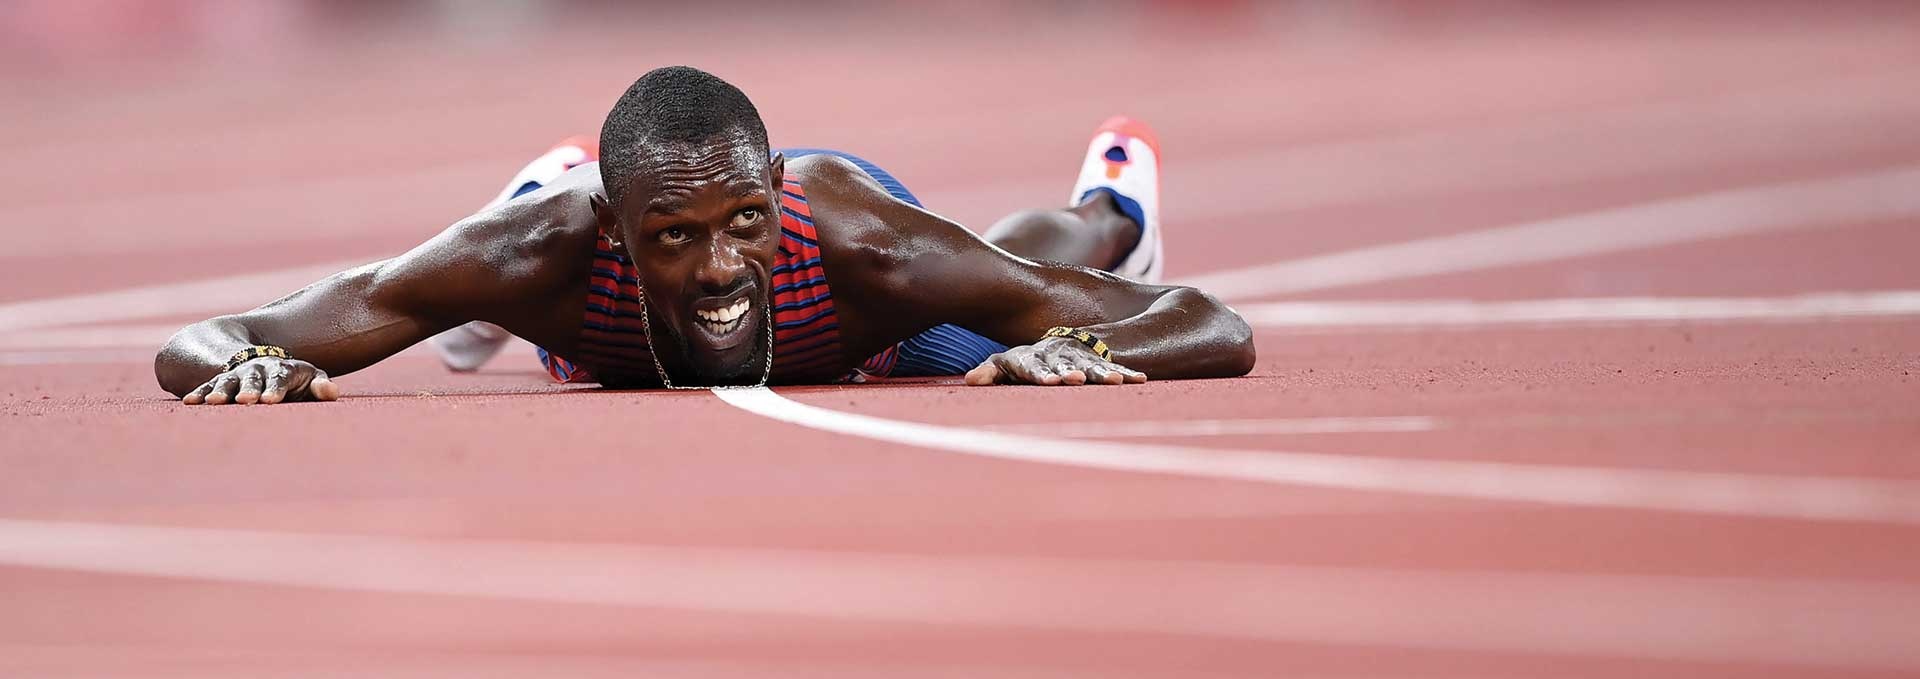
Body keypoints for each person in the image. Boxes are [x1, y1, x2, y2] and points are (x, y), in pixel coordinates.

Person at [157, 66, 1253, 404]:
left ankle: (1115, 210)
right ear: (614, 229)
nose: (724, 264)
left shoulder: (862, 248)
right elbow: (205, 338)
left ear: (773, 197)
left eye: (743, 223)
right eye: (676, 235)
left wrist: (1093, 347)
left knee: (1004, 284)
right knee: (528, 316)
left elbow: (1211, 323)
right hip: (584, 304)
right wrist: (244, 370)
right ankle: (531, 215)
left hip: (853, 324)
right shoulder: (541, 260)